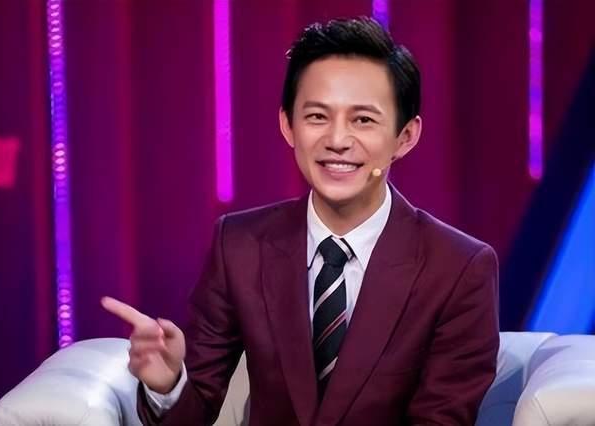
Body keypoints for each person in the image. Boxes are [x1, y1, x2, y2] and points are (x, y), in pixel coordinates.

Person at [102, 16, 499, 426]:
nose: (337, 140)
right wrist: (169, 385)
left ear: (406, 136)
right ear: (287, 125)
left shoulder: (457, 269)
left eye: (363, 120)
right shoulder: (239, 245)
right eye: (317, 117)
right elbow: (198, 404)